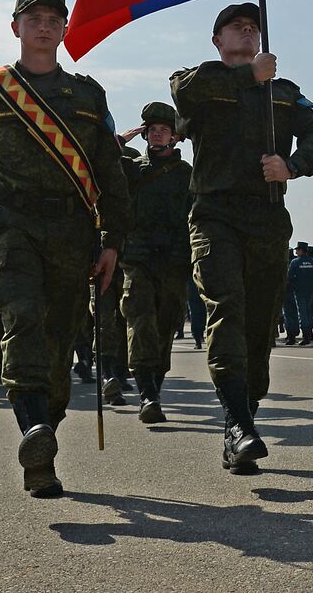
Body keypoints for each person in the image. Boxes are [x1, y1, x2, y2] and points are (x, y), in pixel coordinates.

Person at [0, 0, 131, 499]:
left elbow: (111, 175)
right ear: (16, 27)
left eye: (54, 18)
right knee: (21, 318)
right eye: (34, 18)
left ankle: (42, 436)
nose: (44, 26)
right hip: (11, 224)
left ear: (64, 28)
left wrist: (113, 241)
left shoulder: (89, 96)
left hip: (73, 233)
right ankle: (32, 434)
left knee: (58, 342)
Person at [169, 2, 313, 474]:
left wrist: (293, 166)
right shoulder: (199, 79)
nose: (247, 30)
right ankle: (239, 425)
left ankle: (242, 420)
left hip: (266, 217)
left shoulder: (284, 93)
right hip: (215, 216)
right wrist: (248, 78)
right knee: (227, 308)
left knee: (260, 327)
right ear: (217, 41)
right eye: (235, 27)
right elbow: (185, 97)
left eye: (253, 26)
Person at [118, 101, 194, 425]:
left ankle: (155, 390)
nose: (156, 135)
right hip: (138, 258)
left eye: (163, 130)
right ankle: (146, 394)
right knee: (140, 320)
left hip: (175, 260)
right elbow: (98, 160)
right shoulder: (132, 167)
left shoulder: (187, 174)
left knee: (164, 327)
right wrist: (122, 140)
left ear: (175, 136)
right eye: (151, 130)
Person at [285, 242, 313, 346]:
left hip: (297, 291)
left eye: (297, 250)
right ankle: (309, 334)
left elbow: (289, 277)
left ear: (301, 250)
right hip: (310, 291)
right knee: (308, 312)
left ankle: (304, 336)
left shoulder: (295, 262)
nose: (296, 252)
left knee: (301, 313)